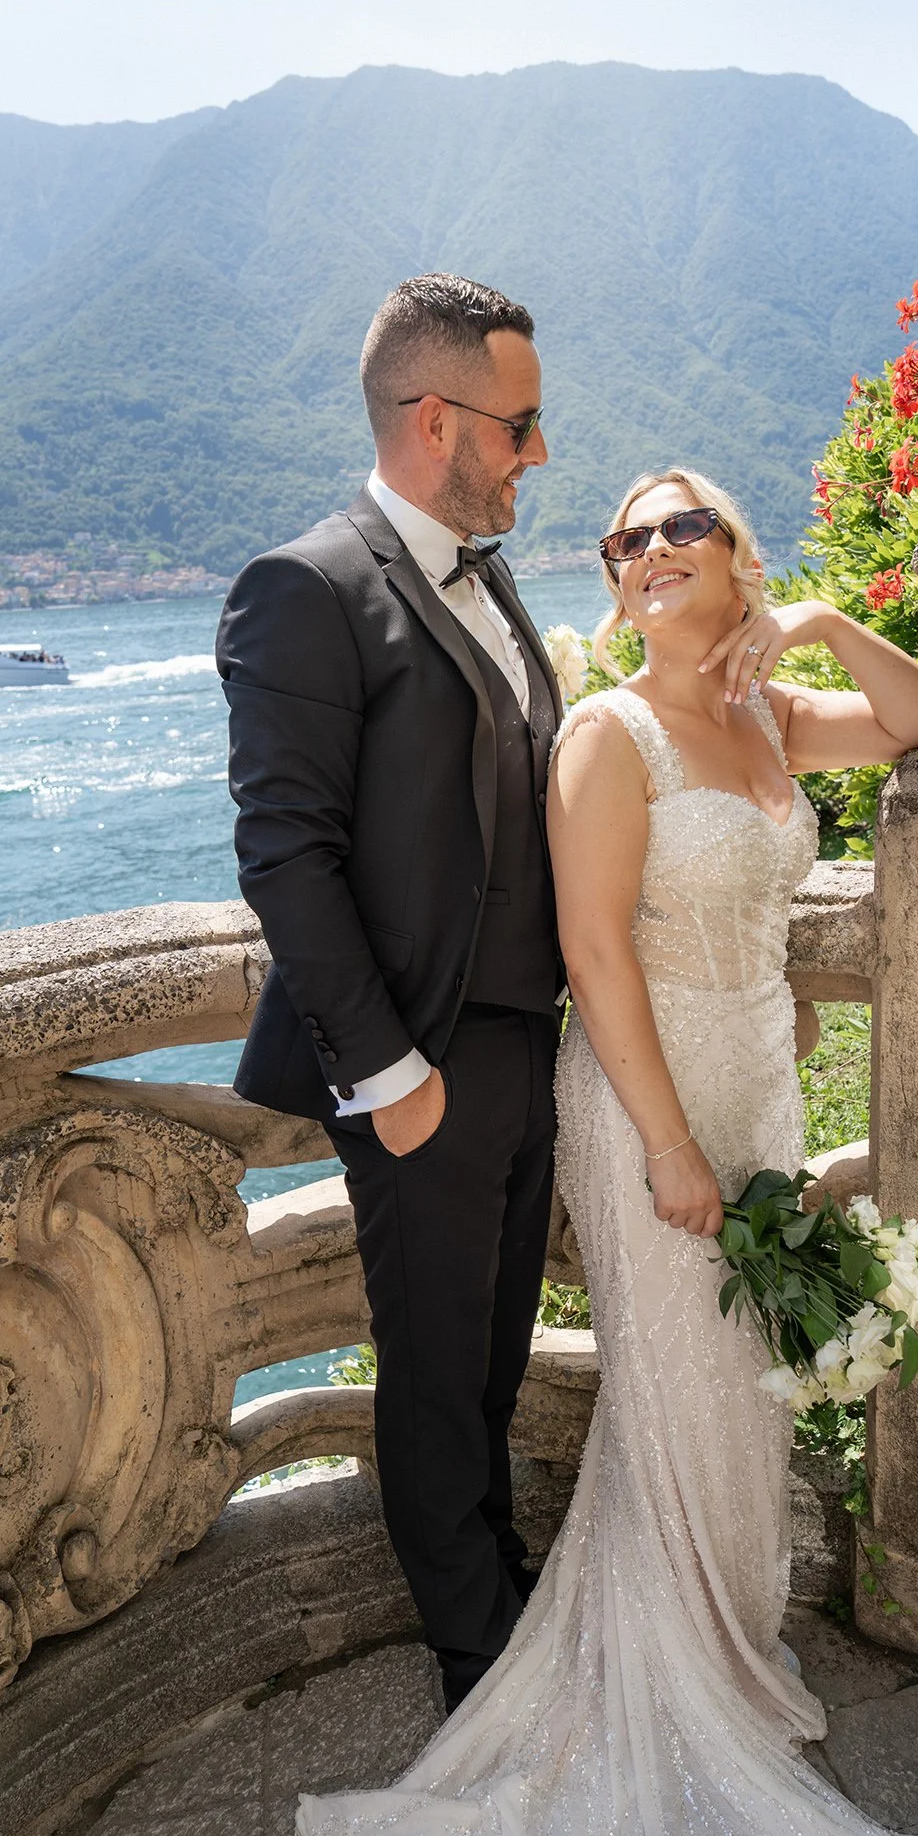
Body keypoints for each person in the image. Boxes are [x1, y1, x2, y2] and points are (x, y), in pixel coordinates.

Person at [294, 466, 918, 1836]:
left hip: (766, 1092)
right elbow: (594, 954)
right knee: (683, 1392)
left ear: (737, 554)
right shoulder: (611, 734)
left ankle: (732, 1645)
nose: (650, 554)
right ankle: (686, 1676)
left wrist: (816, 617)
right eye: (625, 540)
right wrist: (664, 1145)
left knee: (745, 1392)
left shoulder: (779, 712)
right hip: (652, 1099)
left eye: (684, 530)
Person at [217, 273, 562, 1717]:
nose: (538, 454)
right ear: (437, 418)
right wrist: (391, 1076)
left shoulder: (492, 580)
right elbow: (285, 854)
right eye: (522, 424)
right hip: (418, 1069)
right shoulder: (305, 588)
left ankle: (503, 1579)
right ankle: (481, 1670)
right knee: (426, 1380)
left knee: (488, 1361)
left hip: (526, 1051)